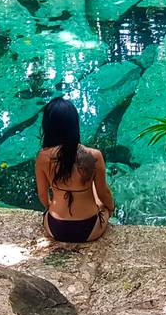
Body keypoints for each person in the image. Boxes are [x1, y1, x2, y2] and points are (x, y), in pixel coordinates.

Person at [35, 97, 115, 242]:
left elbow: (42, 195)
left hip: (55, 227)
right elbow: (104, 193)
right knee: (97, 195)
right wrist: (110, 210)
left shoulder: (42, 156)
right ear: (74, 125)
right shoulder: (94, 156)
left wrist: (51, 208)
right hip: (89, 228)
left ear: (48, 126)